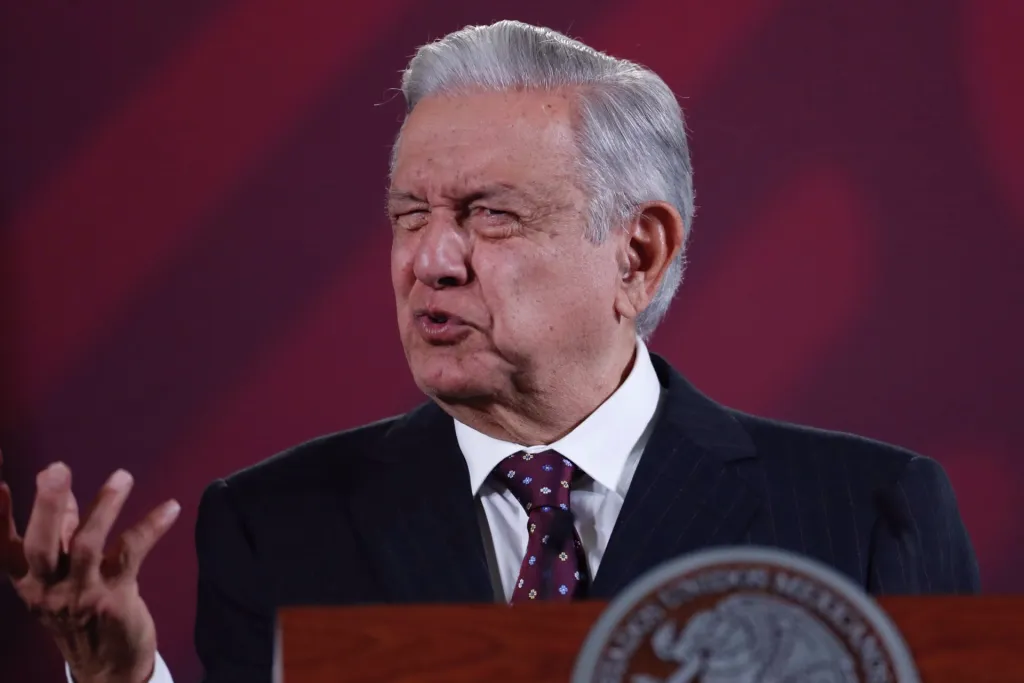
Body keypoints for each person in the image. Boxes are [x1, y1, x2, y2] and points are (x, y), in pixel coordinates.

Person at [0, 19, 980, 683]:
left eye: (488, 215)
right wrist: (121, 673)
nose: (429, 258)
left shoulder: (867, 516)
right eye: (408, 214)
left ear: (637, 253)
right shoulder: (274, 520)